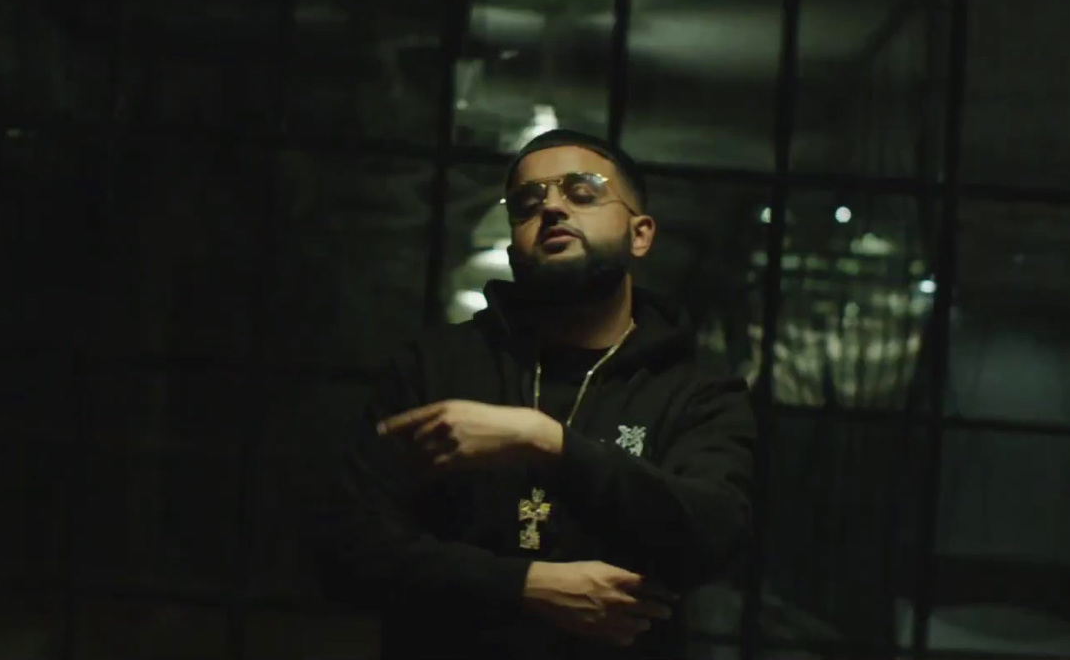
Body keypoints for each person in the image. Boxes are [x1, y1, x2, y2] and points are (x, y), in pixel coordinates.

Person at [313, 129, 757, 659]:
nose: (551, 207)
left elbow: (711, 534)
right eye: (527, 202)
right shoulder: (436, 367)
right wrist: (523, 585)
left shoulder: (695, 388)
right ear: (513, 243)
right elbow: (347, 548)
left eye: (583, 192)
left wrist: (549, 442)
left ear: (640, 234)